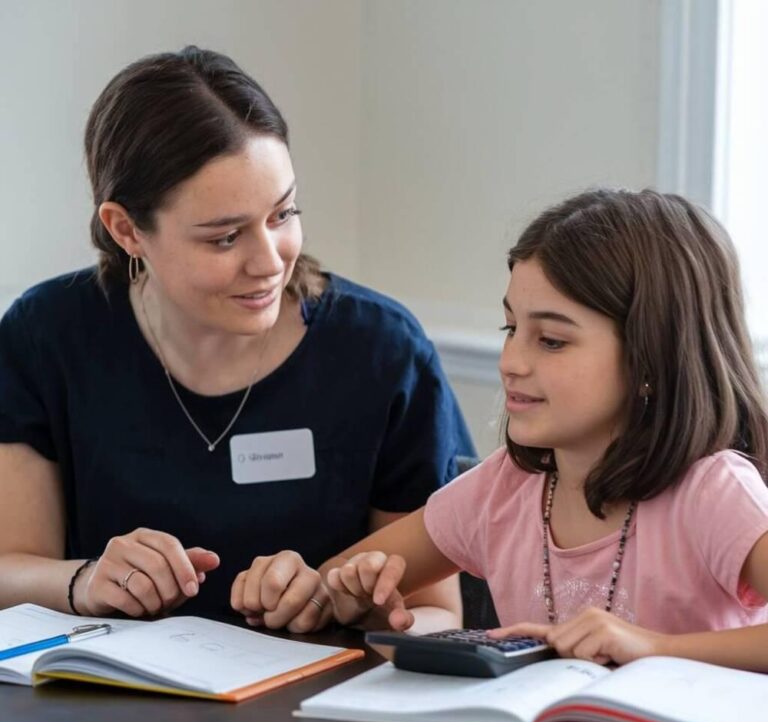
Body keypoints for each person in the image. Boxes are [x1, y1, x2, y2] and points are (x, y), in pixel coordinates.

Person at [0, 46, 473, 632]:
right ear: (126, 230)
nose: (268, 262)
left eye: (283, 214)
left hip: (316, 707)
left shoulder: (382, 351)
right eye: (225, 238)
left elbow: (438, 615)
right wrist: (85, 580)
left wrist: (339, 602)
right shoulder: (47, 335)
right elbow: (9, 570)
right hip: (99, 705)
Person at [323, 188, 768, 672]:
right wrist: (355, 598)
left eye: (552, 341)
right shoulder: (502, 489)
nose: (510, 363)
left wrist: (653, 648)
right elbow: (336, 583)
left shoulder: (714, 494)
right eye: (510, 329)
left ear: (650, 360)